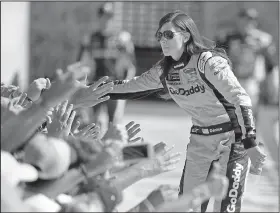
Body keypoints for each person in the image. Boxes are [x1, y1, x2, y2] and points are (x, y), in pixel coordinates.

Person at [93, 10, 267, 212]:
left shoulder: (208, 62)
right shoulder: (163, 70)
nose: (163, 40)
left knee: (226, 208)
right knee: (187, 207)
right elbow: (131, 85)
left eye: (169, 35)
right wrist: (86, 91)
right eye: (160, 35)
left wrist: (250, 143)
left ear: (185, 36)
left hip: (232, 140)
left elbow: (240, 98)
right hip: (200, 142)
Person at [77, 2, 137, 134]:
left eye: (109, 17)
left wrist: (127, 87)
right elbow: (81, 65)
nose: (106, 20)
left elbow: (130, 66)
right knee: (92, 124)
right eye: (103, 16)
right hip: (94, 86)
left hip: (115, 86)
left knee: (114, 123)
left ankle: (112, 151)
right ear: (99, 18)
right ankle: (95, 152)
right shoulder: (90, 39)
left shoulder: (122, 39)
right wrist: (82, 86)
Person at [215, 8, 279, 116]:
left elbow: (271, 64)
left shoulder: (263, 39)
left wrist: (273, 85)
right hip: (232, 81)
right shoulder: (228, 38)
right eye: (244, 20)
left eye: (251, 20)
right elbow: (217, 59)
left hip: (253, 82)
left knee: (250, 115)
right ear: (238, 20)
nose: (247, 23)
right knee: (233, 116)